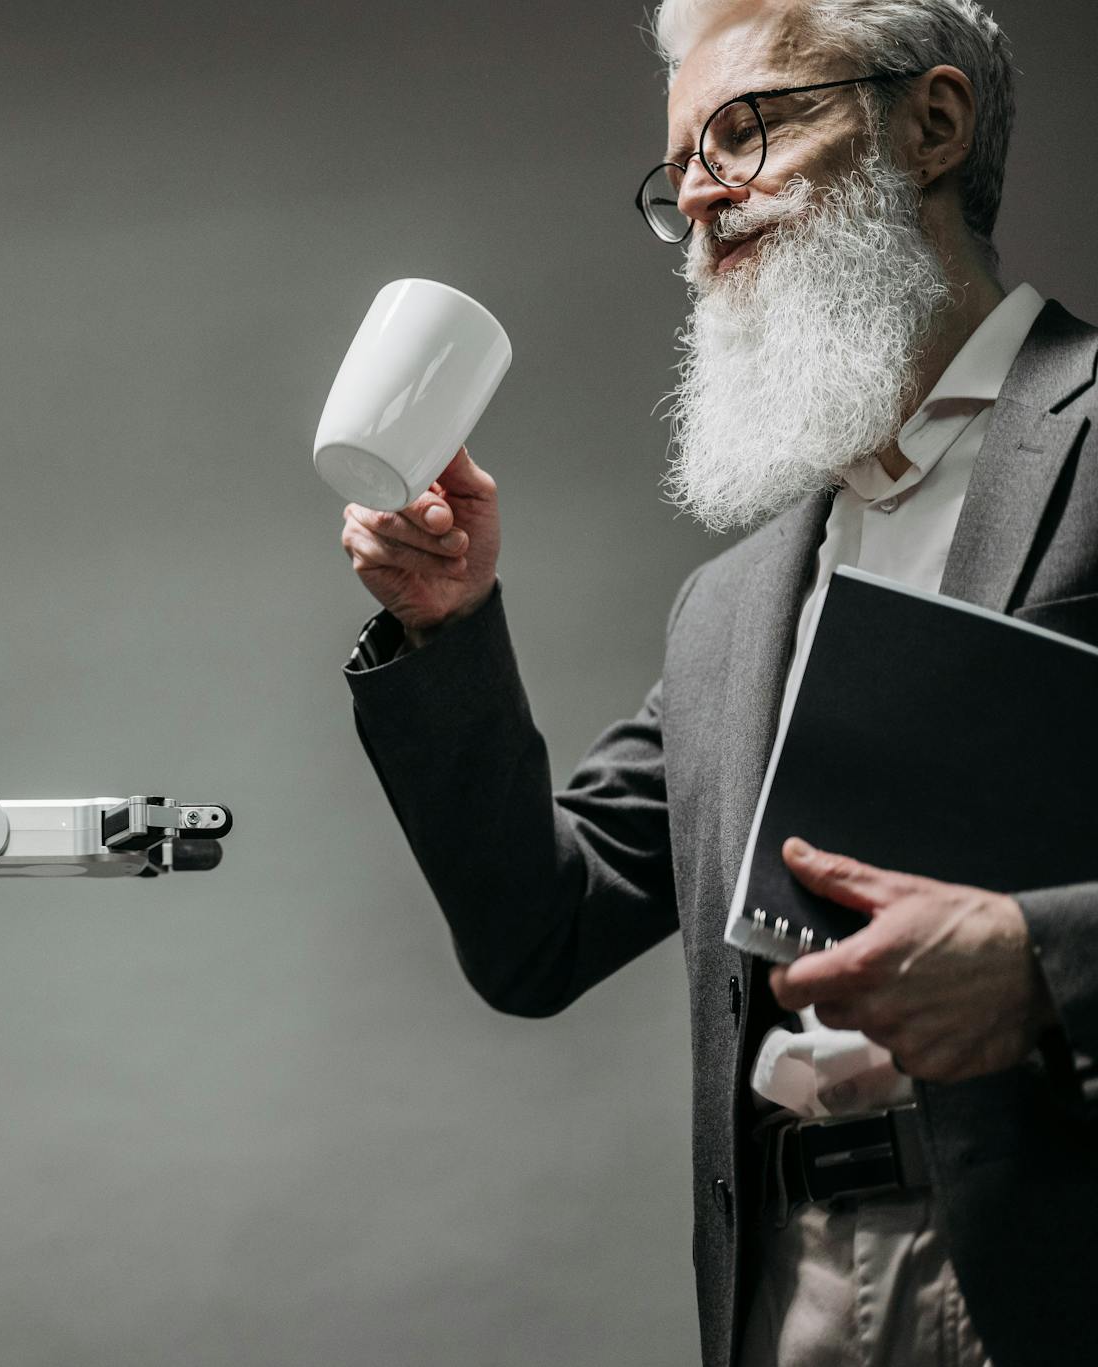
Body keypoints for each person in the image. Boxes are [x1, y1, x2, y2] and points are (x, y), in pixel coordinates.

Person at [338, 2, 1097, 1364]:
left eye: (748, 127)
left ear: (931, 124)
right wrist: (446, 627)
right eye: (678, 159)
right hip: (783, 1288)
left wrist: (1045, 965)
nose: (697, 193)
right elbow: (538, 933)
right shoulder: (731, 607)